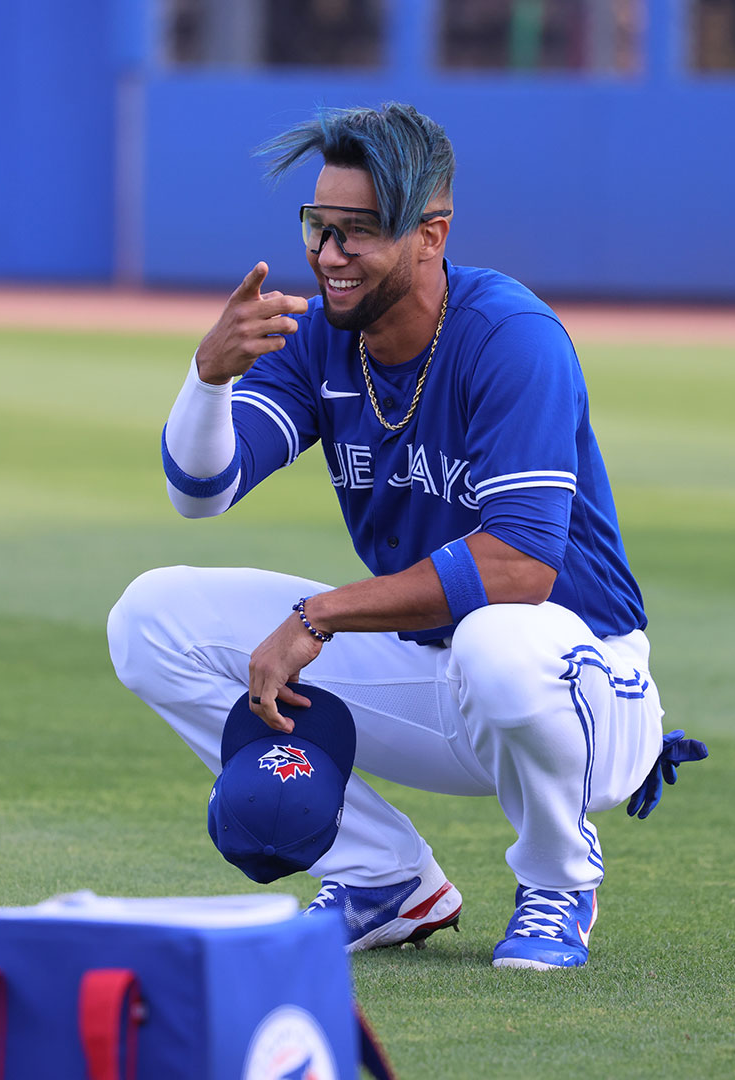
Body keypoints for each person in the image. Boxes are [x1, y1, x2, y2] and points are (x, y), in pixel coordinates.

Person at [107, 102, 702, 971]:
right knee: (151, 618)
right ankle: (383, 879)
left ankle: (559, 882)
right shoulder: (319, 338)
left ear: (431, 234)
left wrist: (319, 617)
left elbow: (523, 565)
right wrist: (207, 379)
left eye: (361, 233)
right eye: (320, 227)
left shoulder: (509, 337)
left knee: (499, 641)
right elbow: (204, 490)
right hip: (439, 675)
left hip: (581, 685)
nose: (331, 255)